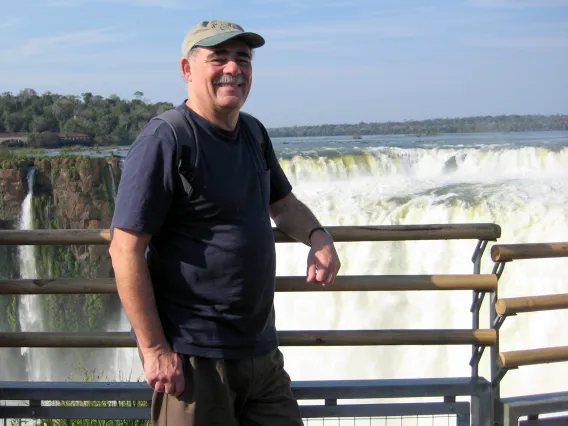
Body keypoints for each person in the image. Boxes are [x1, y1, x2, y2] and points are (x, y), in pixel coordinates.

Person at [109, 19, 341, 426]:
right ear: (187, 69)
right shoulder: (166, 139)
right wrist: (154, 350)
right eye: (219, 59)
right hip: (195, 361)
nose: (233, 68)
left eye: (243, 59)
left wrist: (318, 236)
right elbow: (124, 248)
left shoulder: (253, 133)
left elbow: (283, 205)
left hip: (261, 355)